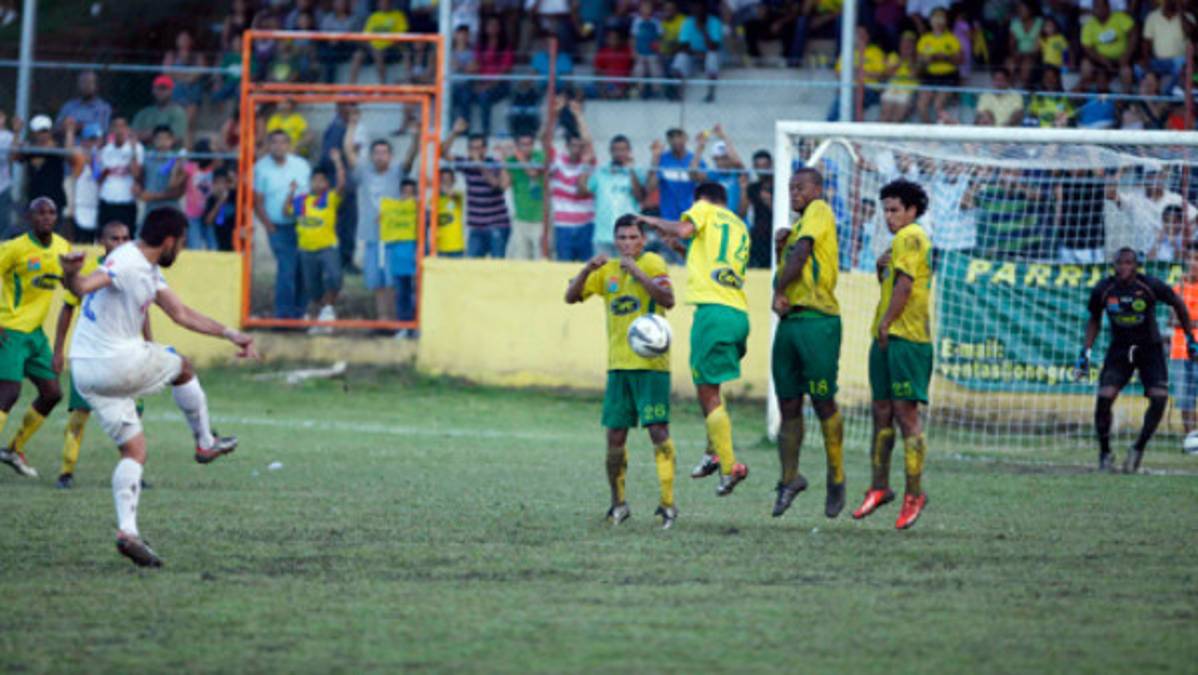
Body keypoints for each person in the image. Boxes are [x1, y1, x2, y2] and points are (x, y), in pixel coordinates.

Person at [60, 207, 255, 567]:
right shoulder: (130, 261)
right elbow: (86, 285)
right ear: (169, 241)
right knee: (182, 366)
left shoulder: (147, 268)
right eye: (181, 242)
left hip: (86, 371)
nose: (181, 249)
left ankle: (127, 531)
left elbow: (181, 314)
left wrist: (230, 334)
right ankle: (205, 442)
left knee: (134, 452)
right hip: (113, 362)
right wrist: (71, 274)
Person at [638, 182, 751, 496]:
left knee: (706, 391)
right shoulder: (739, 224)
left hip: (712, 314)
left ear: (699, 200)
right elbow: (706, 254)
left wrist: (652, 220)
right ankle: (713, 452)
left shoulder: (704, 209)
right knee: (712, 387)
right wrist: (678, 246)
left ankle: (729, 467)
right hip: (738, 314)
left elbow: (685, 229)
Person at [565, 215, 678, 528]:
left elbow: (668, 299)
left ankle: (667, 504)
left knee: (658, 431)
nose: (627, 243)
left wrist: (638, 271)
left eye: (633, 237)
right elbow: (571, 297)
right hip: (618, 366)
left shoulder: (653, 262)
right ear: (615, 240)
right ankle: (618, 504)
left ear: (643, 240)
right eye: (622, 238)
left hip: (651, 366)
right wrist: (588, 269)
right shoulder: (608, 271)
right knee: (614, 436)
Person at [852, 179, 933, 530]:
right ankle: (879, 486)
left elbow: (905, 286)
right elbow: (890, 283)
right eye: (885, 210)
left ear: (913, 211)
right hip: (886, 337)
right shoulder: (896, 244)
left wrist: (886, 323)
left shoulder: (911, 236)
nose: (888, 216)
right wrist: (879, 269)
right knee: (881, 411)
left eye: (895, 210)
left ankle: (914, 493)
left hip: (906, 338)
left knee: (905, 416)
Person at [1076, 248, 1198, 474]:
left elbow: (1178, 304)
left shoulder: (1149, 285)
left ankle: (1138, 448)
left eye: (1128, 263)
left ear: (1136, 266)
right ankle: (1105, 453)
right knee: (1105, 396)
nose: (1123, 267)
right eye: (1119, 263)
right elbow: (1094, 319)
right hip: (1120, 350)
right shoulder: (1104, 289)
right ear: (1114, 265)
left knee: (1159, 398)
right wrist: (1085, 353)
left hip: (1149, 349)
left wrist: (1190, 338)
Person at [769, 168, 845, 519]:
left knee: (822, 399)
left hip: (817, 320)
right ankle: (789, 479)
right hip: (790, 324)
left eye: (800, 187)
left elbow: (800, 261)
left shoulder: (819, 211)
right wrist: (778, 249)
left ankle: (836, 477)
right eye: (790, 189)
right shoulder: (795, 231)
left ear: (818, 188)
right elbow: (788, 265)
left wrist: (779, 289)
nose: (794, 193)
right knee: (788, 404)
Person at [51, 221, 139, 489]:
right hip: (89, 354)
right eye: (114, 238)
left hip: (124, 354)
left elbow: (143, 311)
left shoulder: (135, 271)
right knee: (80, 413)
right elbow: (67, 311)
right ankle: (66, 472)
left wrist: (148, 343)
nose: (121, 244)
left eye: (126, 238)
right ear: (102, 241)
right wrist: (58, 350)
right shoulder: (89, 272)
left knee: (133, 413)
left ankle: (134, 469)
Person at [0, 198, 70, 479]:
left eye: (51, 212)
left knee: (52, 393)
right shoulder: (14, 248)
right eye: (40, 212)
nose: (46, 217)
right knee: (8, 393)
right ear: (29, 217)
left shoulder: (62, 248)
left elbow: (71, 287)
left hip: (36, 335)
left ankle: (13, 449)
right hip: (10, 330)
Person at [345, 111, 418, 318]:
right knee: (377, 282)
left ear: (390, 155)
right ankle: (382, 320)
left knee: (392, 280)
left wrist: (416, 136)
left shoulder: (397, 172)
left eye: (384, 152)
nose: (380, 156)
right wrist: (352, 126)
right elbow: (349, 151)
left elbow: (411, 157)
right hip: (371, 235)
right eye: (376, 152)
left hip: (393, 236)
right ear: (371, 155)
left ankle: (396, 320)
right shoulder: (365, 171)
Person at [254, 130, 312, 320]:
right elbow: (257, 201)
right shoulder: (261, 168)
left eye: (282, 142)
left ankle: (299, 312)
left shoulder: (301, 165)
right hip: (278, 227)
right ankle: (284, 315)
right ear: (269, 145)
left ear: (289, 145)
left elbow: (309, 195)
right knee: (287, 269)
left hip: (301, 226)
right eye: (274, 142)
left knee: (303, 269)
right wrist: (268, 226)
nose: (279, 146)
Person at [286, 148, 346, 331]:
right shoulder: (302, 200)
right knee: (312, 286)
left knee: (335, 277)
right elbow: (285, 211)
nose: (318, 183)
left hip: (327, 247)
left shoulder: (329, 199)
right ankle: (321, 317)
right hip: (306, 250)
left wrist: (337, 162)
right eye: (315, 180)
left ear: (327, 184)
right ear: (310, 182)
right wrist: (291, 192)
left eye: (322, 180)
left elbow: (342, 185)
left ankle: (327, 309)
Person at [442, 119, 511, 258]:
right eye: (472, 148)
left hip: (496, 225)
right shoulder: (467, 164)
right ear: (468, 150)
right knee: (472, 266)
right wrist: (454, 133)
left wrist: (480, 165)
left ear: (485, 149)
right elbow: (443, 154)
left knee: (497, 268)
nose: (475, 152)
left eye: (479, 148)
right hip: (476, 227)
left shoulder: (494, 164)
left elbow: (497, 185)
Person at [582, 134, 649, 258]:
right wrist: (585, 166)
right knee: (603, 273)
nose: (620, 153)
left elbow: (640, 197)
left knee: (628, 272)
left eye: (623, 150)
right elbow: (583, 190)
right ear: (610, 152)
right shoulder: (601, 171)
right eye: (616, 150)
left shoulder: (637, 171)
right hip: (603, 235)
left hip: (628, 237)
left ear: (629, 151)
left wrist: (631, 171)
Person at [547, 102, 597, 263]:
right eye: (573, 145)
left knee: (586, 271)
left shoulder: (588, 163)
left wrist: (578, 116)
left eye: (579, 146)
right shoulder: (557, 162)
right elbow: (545, 141)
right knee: (563, 268)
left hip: (586, 225)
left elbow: (589, 143)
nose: (577, 149)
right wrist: (554, 115)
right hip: (563, 226)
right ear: (567, 146)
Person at [379, 179, 420, 329]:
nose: (408, 197)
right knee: (401, 291)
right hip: (398, 258)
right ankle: (404, 325)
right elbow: (384, 227)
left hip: (415, 255)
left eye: (411, 193)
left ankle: (416, 325)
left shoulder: (420, 212)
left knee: (416, 291)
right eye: (405, 193)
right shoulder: (393, 210)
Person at [499, 133, 546, 260]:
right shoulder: (512, 161)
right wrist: (503, 160)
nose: (526, 148)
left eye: (529, 144)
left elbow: (533, 173)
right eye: (523, 145)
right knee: (521, 259)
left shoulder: (540, 156)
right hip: (521, 219)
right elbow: (504, 185)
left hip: (540, 220)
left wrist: (518, 155)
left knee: (540, 259)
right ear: (518, 145)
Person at [13, 115, 68, 220]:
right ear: (34, 133)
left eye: (45, 131)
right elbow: (15, 157)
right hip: (34, 201)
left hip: (55, 202)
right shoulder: (30, 148)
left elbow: (71, 157)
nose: (43, 135)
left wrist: (70, 131)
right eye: (39, 131)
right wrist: (16, 133)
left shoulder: (58, 148)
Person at [915, 8, 963, 124]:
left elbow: (960, 60)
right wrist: (928, 59)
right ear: (930, 20)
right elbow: (919, 60)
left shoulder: (952, 39)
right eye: (935, 17)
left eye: (941, 17)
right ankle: (929, 133)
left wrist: (945, 57)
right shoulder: (925, 39)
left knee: (938, 105)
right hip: (929, 76)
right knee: (921, 106)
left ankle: (941, 131)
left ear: (946, 20)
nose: (938, 21)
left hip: (948, 77)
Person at [1170, 242, 1198, 443]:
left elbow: (1181, 320)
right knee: (1185, 400)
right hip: (1180, 351)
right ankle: (1190, 439)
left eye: (1196, 259)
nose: (1193, 263)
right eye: (1190, 259)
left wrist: (1186, 321)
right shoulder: (1178, 288)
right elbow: (1172, 320)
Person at [96, 117, 143, 232]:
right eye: (116, 126)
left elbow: (137, 174)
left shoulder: (137, 148)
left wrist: (132, 152)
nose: (119, 130)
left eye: (122, 126)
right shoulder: (105, 150)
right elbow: (99, 179)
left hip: (127, 201)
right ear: (112, 129)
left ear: (127, 129)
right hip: (107, 199)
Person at [134, 126, 187, 227]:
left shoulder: (178, 160)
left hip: (171, 210)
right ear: (153, 140)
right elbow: (140, 181)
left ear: (172, 140)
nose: (162, 141)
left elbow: (179, 192)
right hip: (151, 210)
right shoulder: (147, 158)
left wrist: (153, 196)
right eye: (159, 138)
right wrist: (138, 190)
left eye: (166, 138)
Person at [1079, 0, 1135, 91]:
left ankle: (1126, 98)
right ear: (1092, 9)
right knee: (1085, 65)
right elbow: (1087, 47)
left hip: (1121, 59)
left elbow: (1133, 34)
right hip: (1100, 59)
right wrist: (1101, 59)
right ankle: (1083, 95)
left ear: (1108, 8)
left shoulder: (1120, 17)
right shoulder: (1089, 25)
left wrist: (1126, 55)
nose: (1099, 10)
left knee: (1126, 71)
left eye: (1102, 6)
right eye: (1096, 7)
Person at [348, 0, 408, 84]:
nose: (384, 4)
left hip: (391, 48)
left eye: (386, 2)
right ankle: (351, 86)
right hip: (372, 48)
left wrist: (387, 44)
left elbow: (402, 35)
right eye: (381, 2)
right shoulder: (374, 16)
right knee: (357, 55)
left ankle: (382, 85)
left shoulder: (398, 15)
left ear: (390, 4)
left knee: (378, 52)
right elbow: (366, 36)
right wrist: (370, 46)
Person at [68, 122, 103, 243]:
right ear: (84, 140)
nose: (94, 143)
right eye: (91, 139)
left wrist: (95, 161)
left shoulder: (105, 154)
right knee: (80, 241)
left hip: (98, 206)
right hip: (81, 206)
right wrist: (70, 131)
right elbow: (71, 156)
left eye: (97, 139)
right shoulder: (79, 153)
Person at [182, 139, 218, 250]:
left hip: (208, 212)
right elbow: (176, 177)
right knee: (194, 246)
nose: (215, 152)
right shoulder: (191, 167)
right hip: (193, 214)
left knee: (213, 247)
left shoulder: (214, 167)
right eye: (212, 148)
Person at [131, 75, 188, 144]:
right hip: (146, 153)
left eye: (164, 89)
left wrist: (150, 134)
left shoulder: (178, 112)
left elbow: (177, 138)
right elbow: (133, 136)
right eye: (158, 88)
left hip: (170, 153)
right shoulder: (144, 113)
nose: (160, 92)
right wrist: (161, 136)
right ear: (153, 90)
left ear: (171, 91)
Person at [55, 71, 112, 139]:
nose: (86, 85)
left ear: (96, 85)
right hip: (69, 147)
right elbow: (56, 129)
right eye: (83, 82)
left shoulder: (103, 107)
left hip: (93, 148)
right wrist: (65, 126)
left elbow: (102, 131)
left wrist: (75, 127)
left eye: (90, 82)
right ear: (78, 85)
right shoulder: (68, 106)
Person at [746, 149, 773, 269]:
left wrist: (769, 202)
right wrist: (743, 188)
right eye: (758, 166)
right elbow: (742, 212)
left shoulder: (780, 185)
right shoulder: (753, 187)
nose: (762, 170)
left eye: (765, 166)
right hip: (759, 234)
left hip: (775, 233)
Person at [204, 168, 237, 252]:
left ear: (227, 184)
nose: (220, 186)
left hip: (234, 243)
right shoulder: (211, 199)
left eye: (223, 182)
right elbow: (208, 221)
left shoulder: (234, 196)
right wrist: (220, 202)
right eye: (217, 183)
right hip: (218, 243)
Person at [435, 168, 466, 258]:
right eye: (443, 180)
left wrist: (439, 186)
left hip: (456, 246)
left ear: (453, 181)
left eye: (447, 180)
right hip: (440, 247)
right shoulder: (434, 198)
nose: (445, 182)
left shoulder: (458, 195)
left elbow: (452, 194)